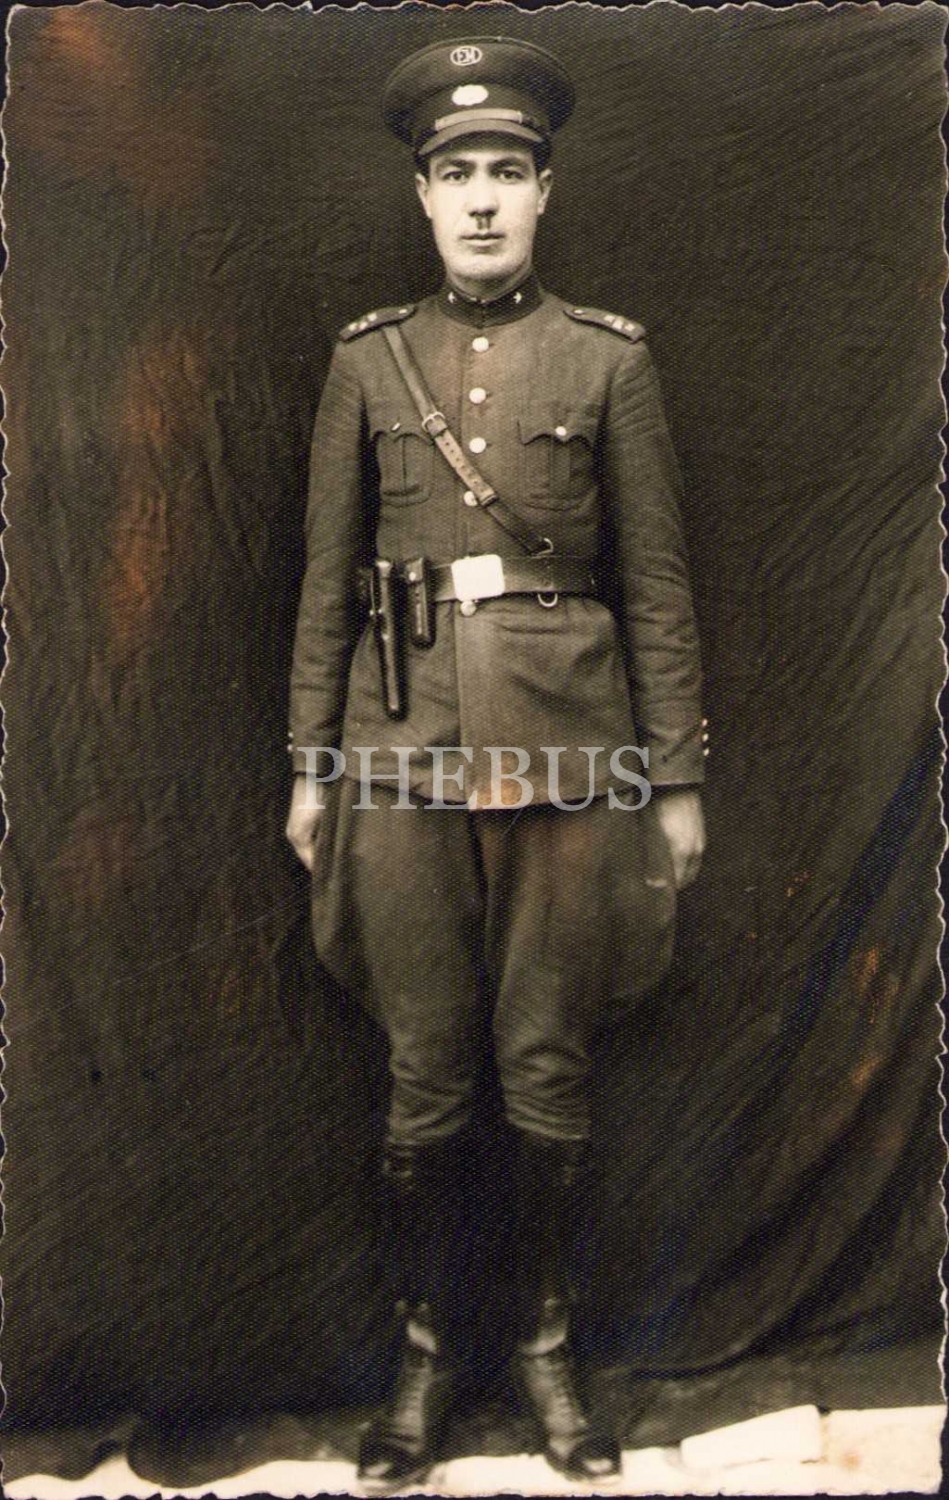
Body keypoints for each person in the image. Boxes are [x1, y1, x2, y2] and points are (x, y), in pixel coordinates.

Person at [286, 34, 707, 1492]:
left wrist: (674, 779)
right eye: (456, 173)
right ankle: (422, 1355)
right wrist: (311, 767)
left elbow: (656, 585)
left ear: (543, 192)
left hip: (570, 757)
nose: (480, 199)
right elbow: (324, 582)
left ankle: (540, 1350)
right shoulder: (367, 360)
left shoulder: (608, 358)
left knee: (544, 1064)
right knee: (423, 1071)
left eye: (506, 173)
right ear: (421, 195)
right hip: (397, 753)